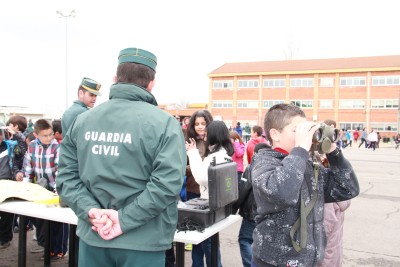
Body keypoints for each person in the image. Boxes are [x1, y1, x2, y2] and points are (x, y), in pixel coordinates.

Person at [56, 47, 186, 267]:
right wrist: (123, 220)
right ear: (151, 83)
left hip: (94, 236)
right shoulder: (165, 124)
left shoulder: (83, 121)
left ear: (115, 79)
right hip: (143, 241)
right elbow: (167, 184)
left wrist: (91, 211)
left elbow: (66, 178)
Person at [251, 103, 359, 267]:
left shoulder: (308, 164)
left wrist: (333, 152)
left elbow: (347, 188)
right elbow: (282, 193)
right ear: (275, 134)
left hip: (309, 260)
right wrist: (301, 148)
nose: (305, 136)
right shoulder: (264, 162)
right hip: (275, 261)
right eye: (297, 130)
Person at [15, 119, 68, 260]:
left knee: (58, 223)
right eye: (45, 135)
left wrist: (58, 191)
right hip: (40, 189)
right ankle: (48, 248)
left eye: (51, 134)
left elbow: (60, 172)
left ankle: (59, 250)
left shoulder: (58, 147)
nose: (49, 138)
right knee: (42, 222)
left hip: (56, 190)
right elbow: (28, 169)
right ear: (36, 134)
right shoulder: (31, 146)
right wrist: (25, 189)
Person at [186, 120, 234, 267]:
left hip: (208, 203)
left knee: (207, 243)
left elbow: (201, 178)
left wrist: (192, 153)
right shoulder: (225, 155)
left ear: (212, 135)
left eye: (206, 134)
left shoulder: (214, 157)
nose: (204, 136)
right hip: (220, 205)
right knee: (210, 243)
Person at [316, 120, 352, 267]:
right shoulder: (339, 192)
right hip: (334, 253)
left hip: (323, 257)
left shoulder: (328, 197)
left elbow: (323, 229)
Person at [233, 142, 270, 267]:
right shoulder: (275, 166)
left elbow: (243, 190)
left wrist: (233, 209)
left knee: (245, 240)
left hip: (251, 214)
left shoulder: (252, 167)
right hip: (268, 214)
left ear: (254, 153)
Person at [183, 109, 214, 257]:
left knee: (210, 236)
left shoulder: (213, 141)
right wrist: (195, 167)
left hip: (210, 193)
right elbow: (182, 165)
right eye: (197, 124)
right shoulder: (189, 141)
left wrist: (200, 165)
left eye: (203, 123)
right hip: (193, 191)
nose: (200, 127)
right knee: (195, 234)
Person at [0, 122, 19, 249]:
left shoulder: (9, 145)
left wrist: (16, 134)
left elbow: (21, 147)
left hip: (7, 182)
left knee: (7, 213)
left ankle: (5, 238)